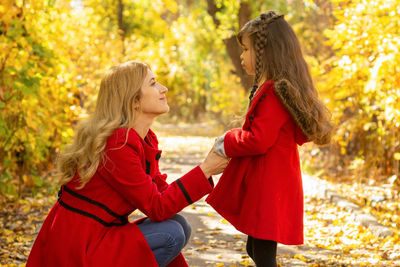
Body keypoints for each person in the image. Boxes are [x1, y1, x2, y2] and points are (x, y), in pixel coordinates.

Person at [26, 61, 229, 267]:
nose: (163, 88)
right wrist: (205, 170)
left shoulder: (144, 138)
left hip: (100, 234)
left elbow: (162, 197)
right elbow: (157, 207)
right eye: (153, 83)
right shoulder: (116, 144)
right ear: (134, 101)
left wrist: (206, 171)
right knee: (171, 234)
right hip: (77, 244)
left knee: (179, 224)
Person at [206, 11, 334, 267]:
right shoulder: (275, 89)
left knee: (262, 254)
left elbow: (259, 140)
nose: (241, 56)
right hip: (269, 184)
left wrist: (226, 141)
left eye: (245, 50)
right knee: (255, 249)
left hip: (269, 187)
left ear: (264, 53)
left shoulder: (274, 92)